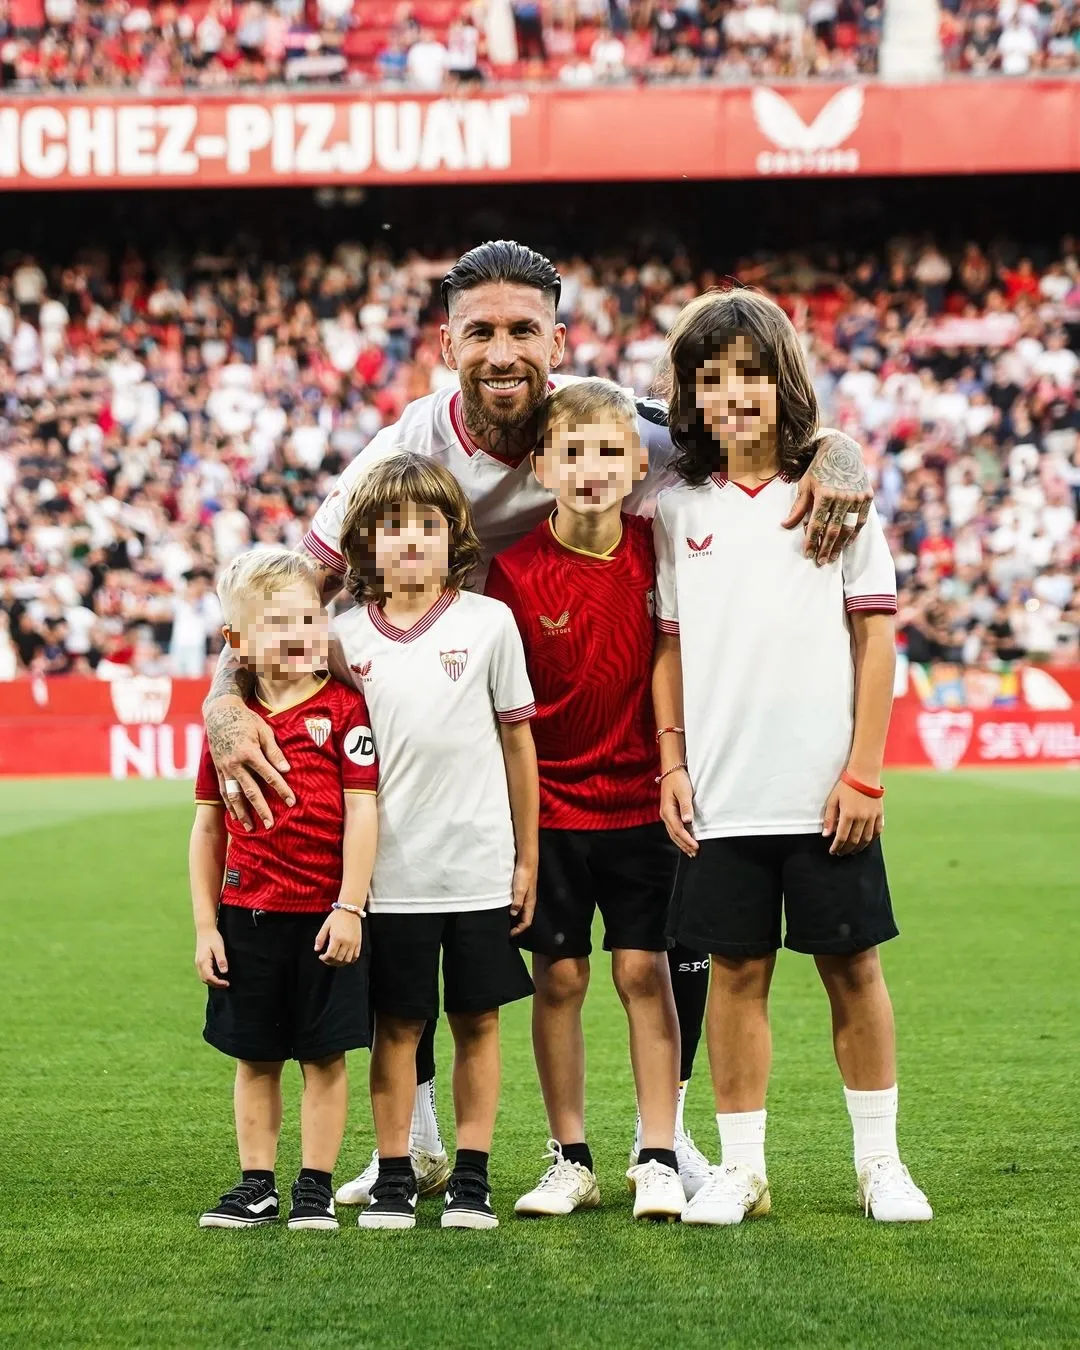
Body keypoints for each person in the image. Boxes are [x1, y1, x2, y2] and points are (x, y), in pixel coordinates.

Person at [202, 240, 876, 1204]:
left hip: (615, 739)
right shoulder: (404, 452)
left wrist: (839, 449)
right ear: (447, 343)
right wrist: (226, 699)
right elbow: (295, 590)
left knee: (650, 958)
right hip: (453, 723)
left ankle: (666, 1139)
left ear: (558, 340)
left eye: (524, 329)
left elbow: (760, 431)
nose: (502, 350)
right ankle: (419, 1139)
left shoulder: (617, 428)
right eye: (480, 331)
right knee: (415, 917)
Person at [652, 289, 932, 1226]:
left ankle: (880, 1163)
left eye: (750, 373)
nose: (732, 393)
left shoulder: (836, 494)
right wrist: (674, 763)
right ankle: (742, 1168)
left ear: (784, 382)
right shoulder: (673, 506)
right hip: (725, 795)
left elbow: (876, 639)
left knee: (853, 969)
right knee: (735, 974)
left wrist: (863, 771)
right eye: (711, 375)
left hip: (824, 794)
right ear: (690, 393)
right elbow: (669, 645)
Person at [485, 379, 687, 1221]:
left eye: (609, 451)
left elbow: (671, 658)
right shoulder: (514, 571)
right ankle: (570, 1157)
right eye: (571, 452)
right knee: (559, 979)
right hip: (554, 812)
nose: (591, 468)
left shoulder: (658, 548)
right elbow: (505, 714)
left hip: (643, 803)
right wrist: (517, 835)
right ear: (543, 466)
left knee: (645, 971)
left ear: (640, 463)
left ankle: (661, 1153)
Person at [333, 453, 538, 1230]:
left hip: (479, 867)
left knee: (478, 1020)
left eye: (426, 524)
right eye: (393, 527)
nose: (410, 540)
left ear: (453, 535)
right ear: (366, 542)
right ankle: (395, 1171)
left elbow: (519, 748)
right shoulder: (345, 641)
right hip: (392, 876)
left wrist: (527, 857)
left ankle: (473, 1177)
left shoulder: (490, 625)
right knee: (397, 1025)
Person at [190, 549, 379, 1231]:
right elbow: (207, 831)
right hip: (249, 916)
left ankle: (315, 1186)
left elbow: (363, 812)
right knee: (256, 1058)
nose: (298, 632)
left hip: (326, 919)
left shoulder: (345, 711)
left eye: (309, 616)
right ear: (238, 643)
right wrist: (207, 926)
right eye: (276, 622)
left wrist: (350, 905)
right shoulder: (229, 725)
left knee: (324, 1058)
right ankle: (256, 1183)